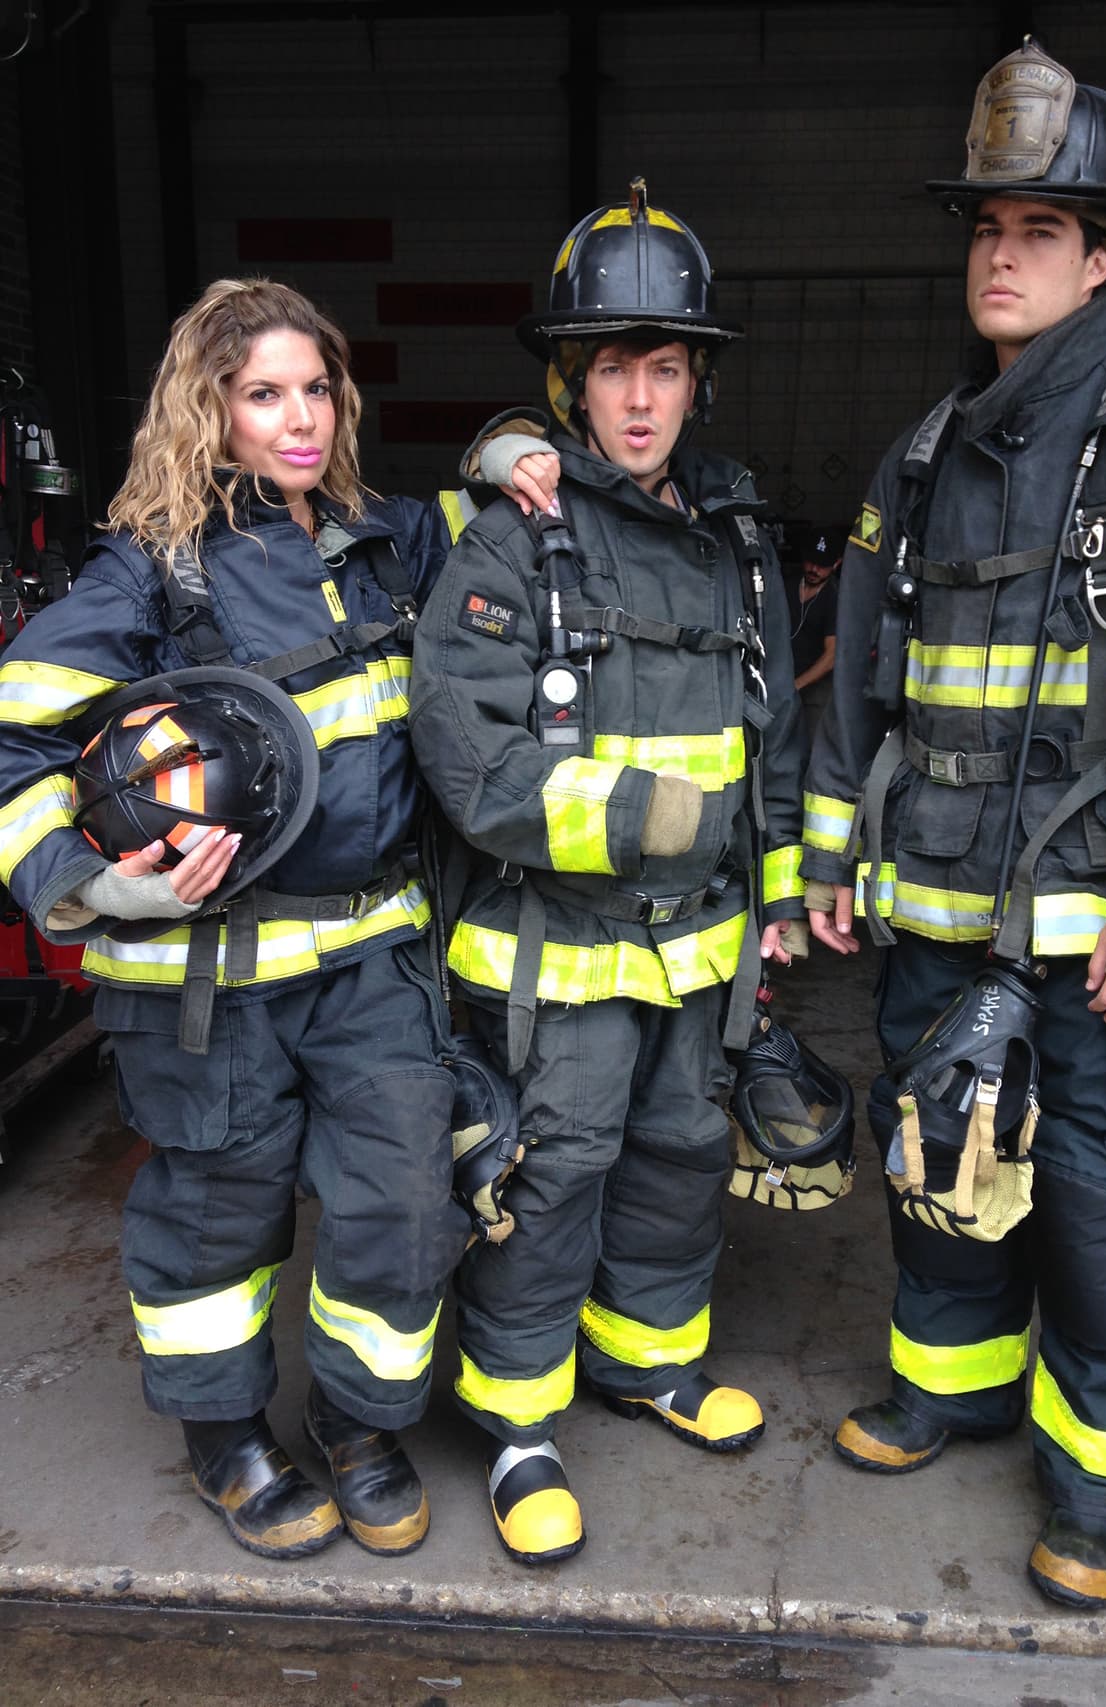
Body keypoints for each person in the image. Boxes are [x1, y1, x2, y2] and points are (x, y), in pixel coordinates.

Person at [804, 41, 1106, 1610]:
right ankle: (951, 1385)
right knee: (944, 1168)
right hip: (934, 921)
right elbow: (857, 678)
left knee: (1100, 1192)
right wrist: (827, 859)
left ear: (1100, 254)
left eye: (1037, 232)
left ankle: (1105, 1479)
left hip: (1093, 945)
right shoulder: (930, 452)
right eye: (985, 229)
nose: (999, 258)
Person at [0, 278, 552, 1563]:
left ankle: (359, 1424)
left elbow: (497, 506)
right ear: (212, 411)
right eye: (264, 396)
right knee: (215, 1216)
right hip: (209, 985)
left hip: (374, 965)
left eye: (316, 390)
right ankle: (225, 1437)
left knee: (406, 1205)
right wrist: (89, 886)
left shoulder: (384, 538)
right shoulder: (150, 574)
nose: (298, 420)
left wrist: (515, 447)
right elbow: (12, 734)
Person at [409, 180, 809, 1565]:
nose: (641, 397)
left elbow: (776, 743)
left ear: (699, 377)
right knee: (554, 1167)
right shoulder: (509, 539)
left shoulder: (737, 542)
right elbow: (470, 763)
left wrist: (770, 900)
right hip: (550, 956)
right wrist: (653, 815)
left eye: (667, 364)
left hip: (698, 952)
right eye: (615, 367)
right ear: (571, 382)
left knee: (679, 1157)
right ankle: (518, 1422)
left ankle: (649, 1361)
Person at [785, 524, 842, 739]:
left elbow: (832, 656)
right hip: (783, 678)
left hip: (817, 687)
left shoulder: (835, 597)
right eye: (811, 561)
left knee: (811, 743)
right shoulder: (787, 584)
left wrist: (796, 685)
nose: (814, 569)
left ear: (837, 563)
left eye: (822, 565)